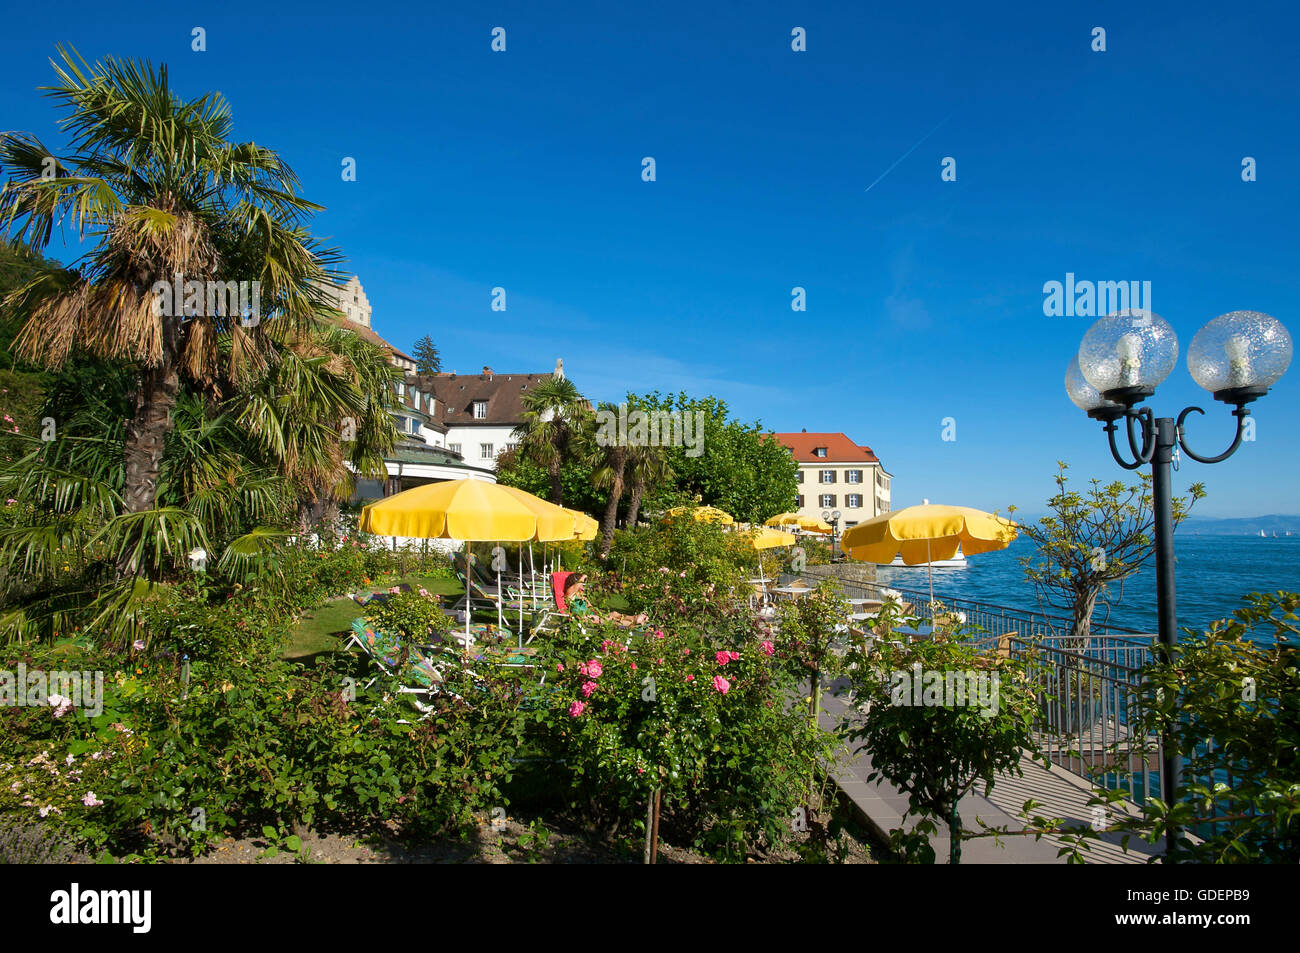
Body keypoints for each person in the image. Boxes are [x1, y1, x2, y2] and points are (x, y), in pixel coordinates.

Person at [563, 573, 648, 627]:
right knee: (611, 619)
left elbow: (590, 607)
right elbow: (576, 586)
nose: (583, 585)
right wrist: (584, 576)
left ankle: (634, 618)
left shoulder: (580, 595)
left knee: (614, 613)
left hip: (593, 615)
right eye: (581, 583)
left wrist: (597, 612)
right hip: (585, 619)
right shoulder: (569, 595)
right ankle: (633, 623)